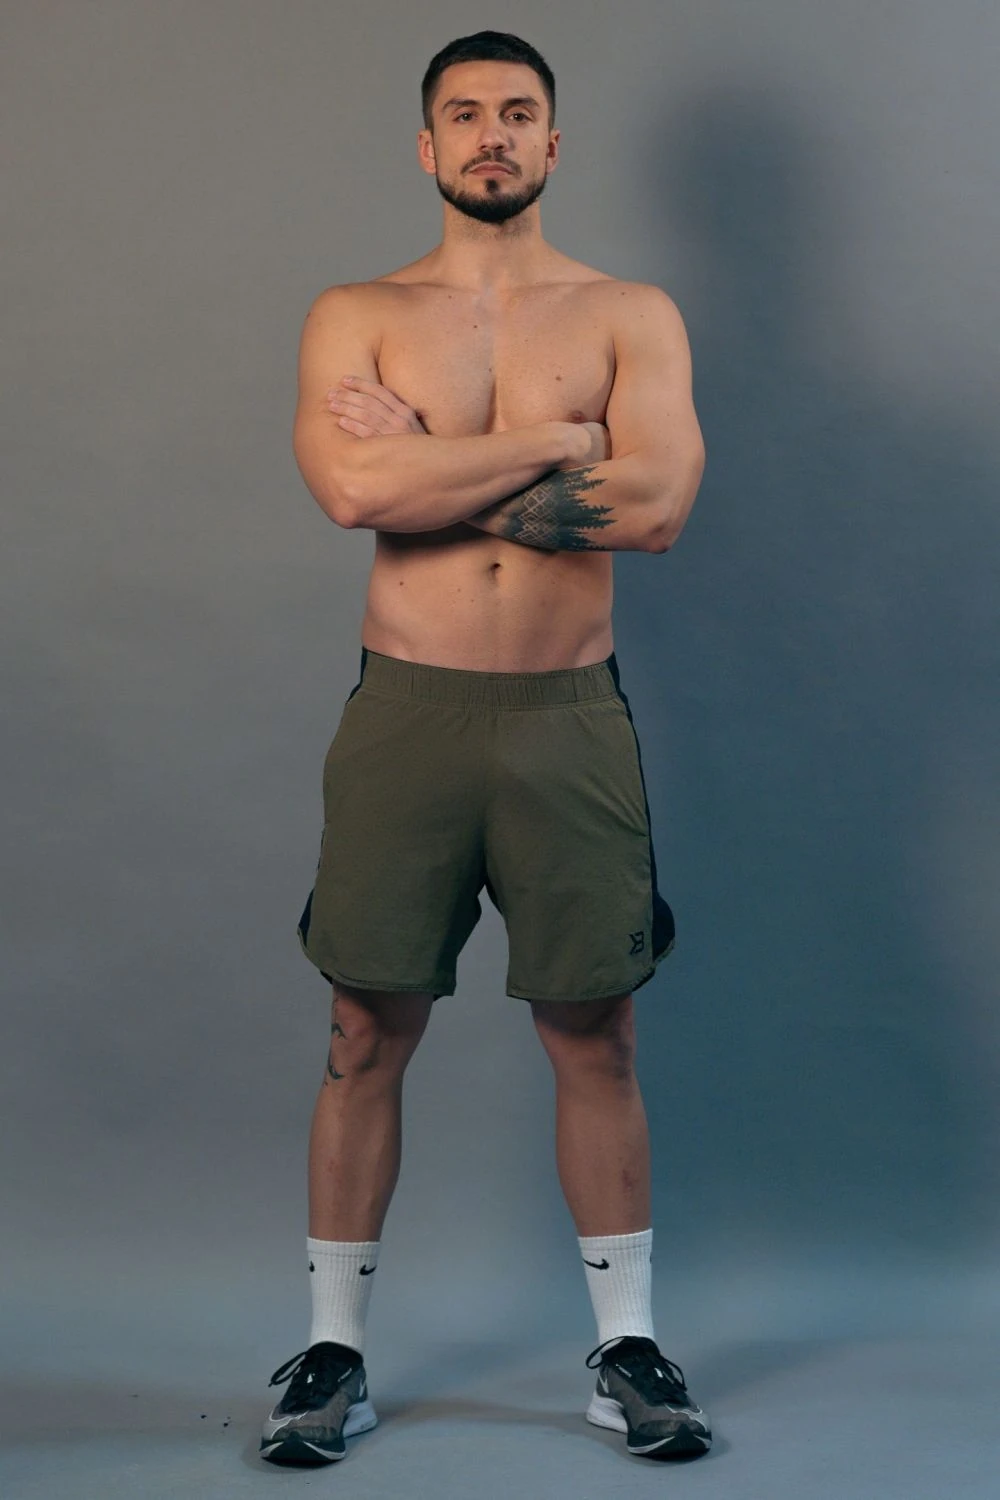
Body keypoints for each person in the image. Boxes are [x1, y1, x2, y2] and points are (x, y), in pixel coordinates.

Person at [260, 29, 709, 1467]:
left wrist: (429, 460)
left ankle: (626, 1351)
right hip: (410, 709)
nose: (492, 134)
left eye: (518, 112)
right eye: (465, 114)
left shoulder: (630, 312)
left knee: (597, 1030)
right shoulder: (356, 313)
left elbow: (655, 510)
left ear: (554, 143)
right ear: (428, 146)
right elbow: (351, 489)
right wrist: (560, 443)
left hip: (568, 715)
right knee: (361, 1029)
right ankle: (332, 1354)